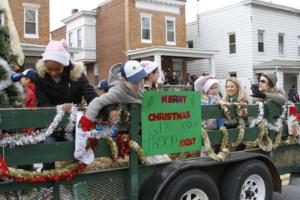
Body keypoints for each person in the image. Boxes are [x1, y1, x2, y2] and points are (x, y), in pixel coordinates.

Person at [79, 60, 147, 130]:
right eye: (135, 82)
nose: (139, 86)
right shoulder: (117, 91)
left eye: (140, 80)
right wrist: (87, 121)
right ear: (124, 80)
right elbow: (97, 102)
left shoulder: (139, 82)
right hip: (125, 127)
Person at [35, 40, 97, 111]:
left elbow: (91, 95)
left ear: (64, 65)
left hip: (73, 117)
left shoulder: (77, 75)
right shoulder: (39, 77)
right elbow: (42, 104)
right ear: (45, 64)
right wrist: (59, 108)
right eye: (49, 69)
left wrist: (108, 110)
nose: (53, 73)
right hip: (48, 118)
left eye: (57, 69)